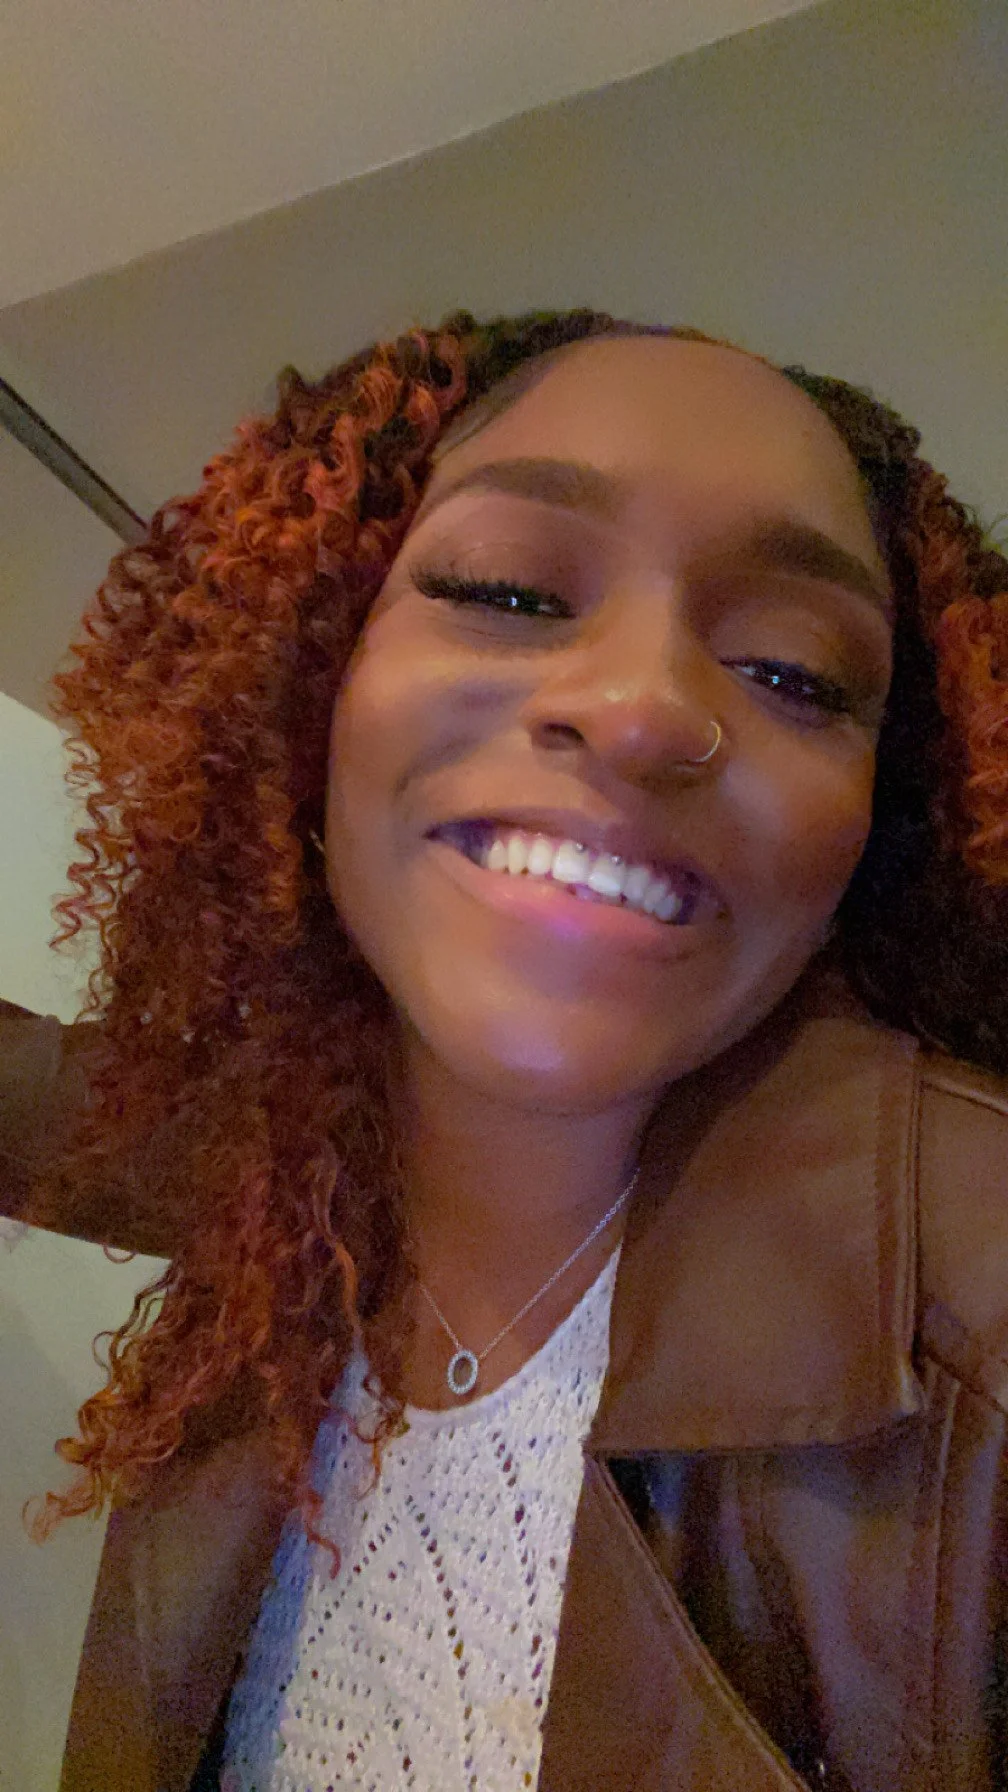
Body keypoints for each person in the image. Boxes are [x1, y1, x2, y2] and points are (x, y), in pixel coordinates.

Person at [2, 307, 1007, 1792]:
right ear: (310, 689)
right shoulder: (281, 1163)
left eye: (795, 673)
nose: (645, 710)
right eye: (509, 591)